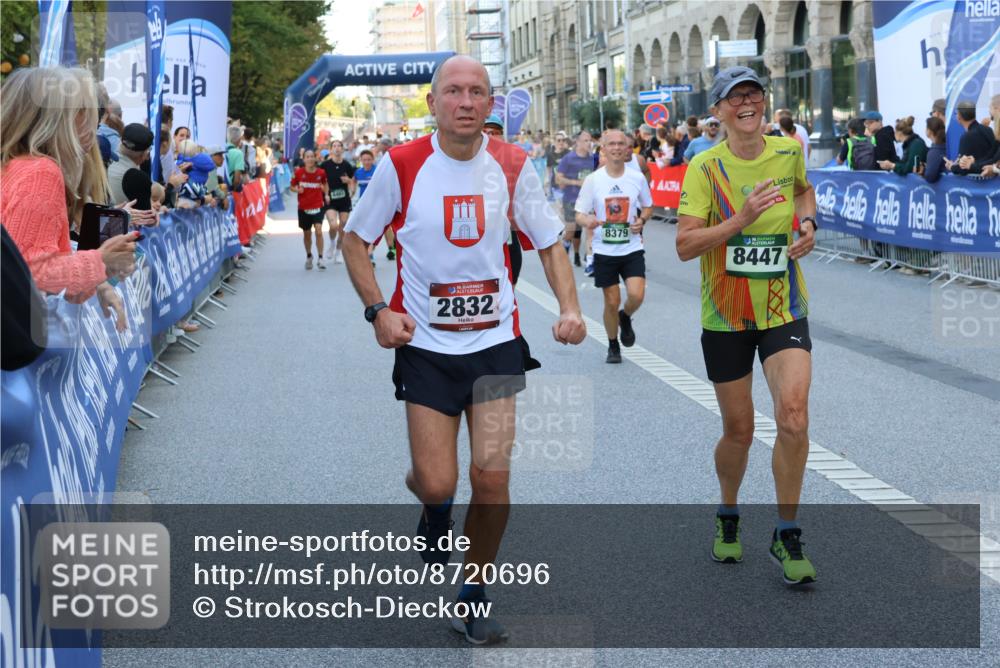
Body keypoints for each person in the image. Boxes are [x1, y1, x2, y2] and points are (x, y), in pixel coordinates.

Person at [341, 54, 585, 645]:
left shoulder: (513, 164)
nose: (466, 101)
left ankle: (473, 596)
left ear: (490, 103)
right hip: (424, 346)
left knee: (492, 479)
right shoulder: (402, 164)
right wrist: (378, 310)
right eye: (454, 91)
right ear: (433, 103)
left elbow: (549, 243)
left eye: (477, 91)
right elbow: (354, 240)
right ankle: (433, 508)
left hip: (496, 345)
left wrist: (571, 308)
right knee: (438, 483)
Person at [675, 66, 819, 586]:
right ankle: (728, 511)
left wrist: (808, 223)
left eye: (753, 93)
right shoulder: (703, 167)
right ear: (718, 111)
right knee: (740, 430)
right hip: (726, 316)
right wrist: (740, 220)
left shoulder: (787, 151)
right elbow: (684, 244)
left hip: (784, 307)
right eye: (734, 97)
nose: (746, 103)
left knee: (794, 416)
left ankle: (787, 531)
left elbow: (804, 192)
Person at [1, 66, 137, 320]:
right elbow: (33, 274)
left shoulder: (15, 166)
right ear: (56, 118)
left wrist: (103, 268)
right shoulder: (41, 172)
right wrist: (101, 260)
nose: (90, 122)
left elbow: (47, 277)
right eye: (81, 110)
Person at [574, 129, 653, 364]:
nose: (617, 148)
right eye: (612, 144)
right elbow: (579, 214)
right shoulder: (593, 180)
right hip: (604, 250)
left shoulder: (636, 178)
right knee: (611, 301)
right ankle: (612, 344)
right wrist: (587, 220)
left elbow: (648, 206)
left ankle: (625, 316)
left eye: (621, 144)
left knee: (637, 295)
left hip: (631, 247)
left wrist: (642, 220)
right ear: (604, 149)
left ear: (627, 148)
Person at [556, 130, 596, 268]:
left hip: (588, 201)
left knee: (588, 229)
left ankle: (584, 257)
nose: (589, 143)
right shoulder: (568, 158)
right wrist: (576, 182)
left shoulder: (593, 158)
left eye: (590, 140)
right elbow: (558, 178)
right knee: (572, 230)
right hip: (571, 198)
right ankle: (565, 247)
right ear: (577, 142)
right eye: (585, 140)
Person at [290, 149, 328, 270]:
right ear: (304, 159)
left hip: (318, 205)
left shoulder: (321, 172)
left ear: (315, 158)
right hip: (304, 207)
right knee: (307, 234)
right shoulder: (299, 172)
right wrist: (297, 190)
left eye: (312, 157)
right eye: (308, 157)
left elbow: (325, 184)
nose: (310, 159)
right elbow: (291, 186)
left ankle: (321, 258)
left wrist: (326, 194)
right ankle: (309, 255)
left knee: (318, 231)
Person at [320, 140, 356, 263]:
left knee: (343, 225)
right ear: (331, 149)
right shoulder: (325, 165)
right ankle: (332, 243)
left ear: (342, 149)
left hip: (344, 199)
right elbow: (320, 181)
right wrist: (325, 194)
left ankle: (339, 250)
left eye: (339, 146)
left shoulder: (347, 165)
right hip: (330, 199)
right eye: (334, 146)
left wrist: (350, 186)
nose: (337, 148)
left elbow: (353, 181)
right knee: (333, 225)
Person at [946, 100, 998, 175]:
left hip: (980, 179)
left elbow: (963, 168)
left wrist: (952, 167)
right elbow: (992, 158)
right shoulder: (988, 129)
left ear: (959, 116)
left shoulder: (966, 137)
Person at [109, 124, 154, 206]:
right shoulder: (137, 178)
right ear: (145, 153)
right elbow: (147, 212)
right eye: (149, 149)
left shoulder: (107, 161)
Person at [920, 117, 947, 183]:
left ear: (929, 131)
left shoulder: (934, 152)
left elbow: (929, 177)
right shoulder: (946, 146)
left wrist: (923, 171)